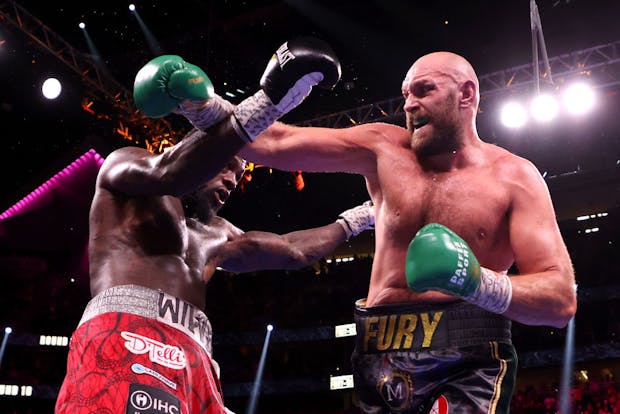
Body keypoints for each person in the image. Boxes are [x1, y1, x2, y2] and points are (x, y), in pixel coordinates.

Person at [231, 51, 577, 413]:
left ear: (467, 94)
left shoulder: (515, 177)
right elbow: (272, 143)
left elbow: (560, 301)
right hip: (378, 351)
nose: (409, 105)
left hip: (468, 355)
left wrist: (474, 281)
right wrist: (199, 106)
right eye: (406, 94)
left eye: (424, 90)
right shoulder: (383, 147)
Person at [54, 38, 375, 414]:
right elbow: (172, 171)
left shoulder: (219, 235)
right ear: (197, 146)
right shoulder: (126, 170)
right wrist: (269, 101)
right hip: (126, 335)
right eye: (227, 166)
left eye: (240, 177)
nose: (231, 181)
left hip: (196, 358)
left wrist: (364, 217)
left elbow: (294, 250)